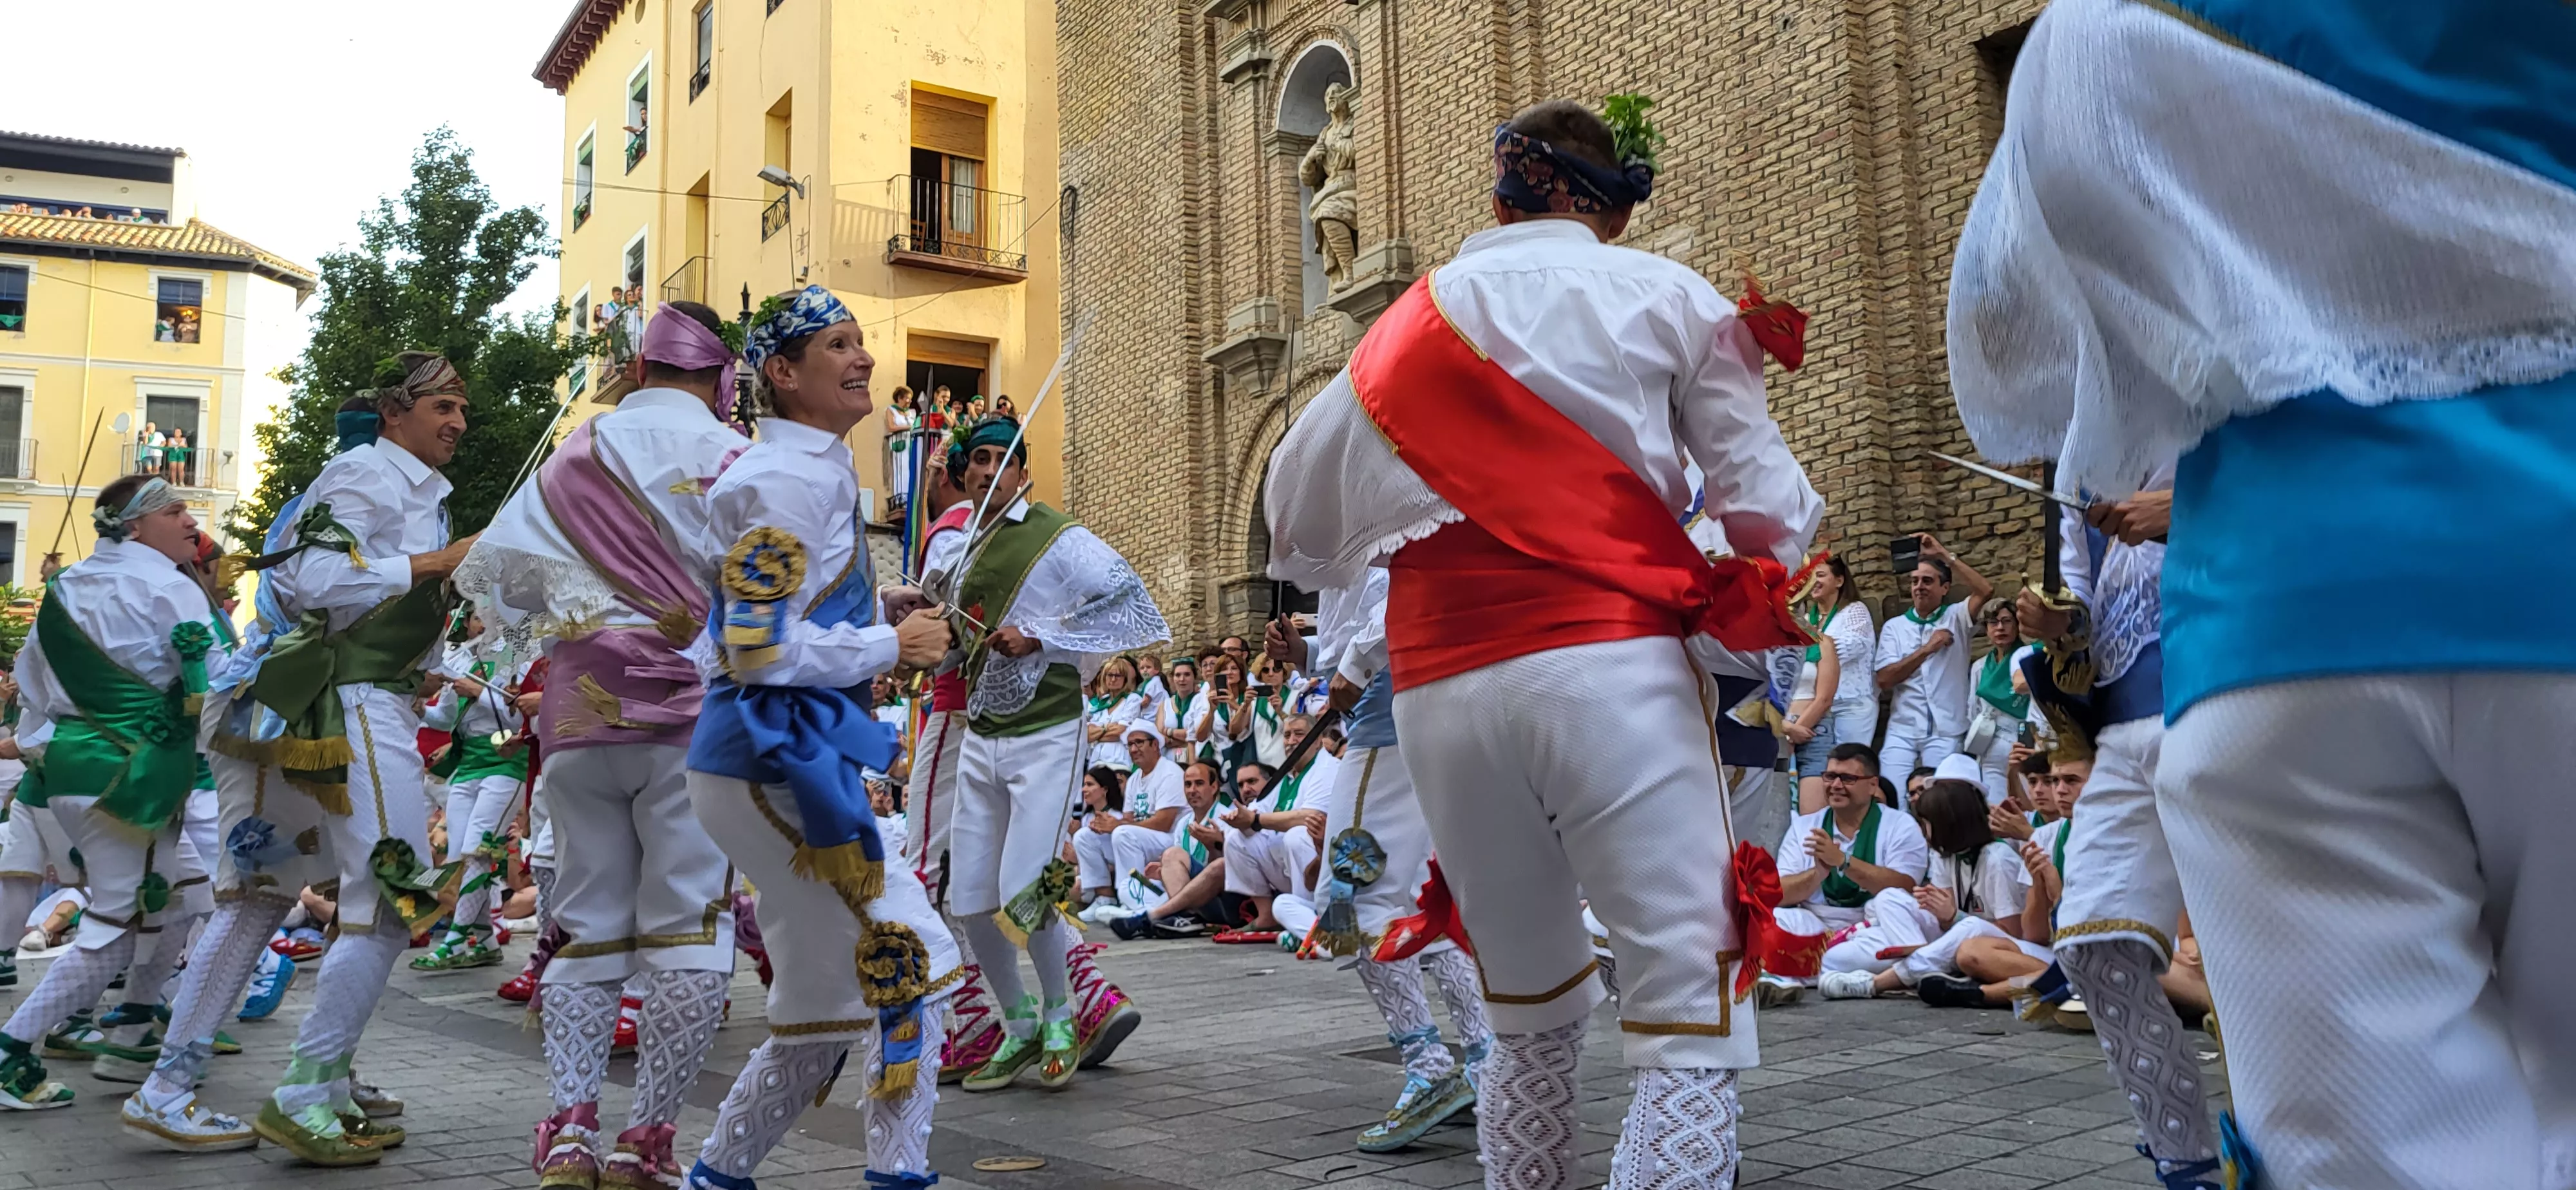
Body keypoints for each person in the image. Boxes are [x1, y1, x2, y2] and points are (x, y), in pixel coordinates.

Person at [1265, 96, 1822, 1189]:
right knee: (1688, 1009)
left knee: (1527, 1012)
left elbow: (1295, 515)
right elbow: (1774, 515)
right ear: (1612, 209)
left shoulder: (1405, 326)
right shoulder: (1664, 292)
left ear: (1499, 202)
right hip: (1608, 665)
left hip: (1440, 692)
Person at [136, 354, 474, 1161]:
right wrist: (438, 564)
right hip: (333, 703)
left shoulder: (407, 486)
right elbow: (317, 580)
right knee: (390, 892)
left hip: (312, 702)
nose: (459, 422)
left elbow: (339, 601)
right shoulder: (365, 473)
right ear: (394, 412)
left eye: (462, 408)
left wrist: (419, 657)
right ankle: (303, 1089)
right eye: (443, 406)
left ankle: (191, 1088)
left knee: (263, 898)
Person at [452, 301, 753, 1187]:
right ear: (719, 375)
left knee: (585, 922)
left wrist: (592, 609)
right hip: (694, 718)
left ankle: (572, 1130)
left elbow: (505, 590)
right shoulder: (736, 458)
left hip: (581, 714)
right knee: (689, 924)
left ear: (643, 367)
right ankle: (644, 1141)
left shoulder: (572, 456)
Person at [678, 287, 959, 1190]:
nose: (864, 358)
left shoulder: (807, 471)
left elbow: (768, 621)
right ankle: (897, 1179)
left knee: (826, 1006)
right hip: (770, 755)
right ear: (783, 372)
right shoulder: (783, 479)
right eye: (838, 344)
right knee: (915, 960)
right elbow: (756, 649)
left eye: (860, 341)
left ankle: (716, 1177)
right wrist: (892, 645)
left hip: (781, 756)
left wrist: (877, 609)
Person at [924, 413, 1166, 1094]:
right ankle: (1019, 1023)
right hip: (981, 734)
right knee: (970, 898)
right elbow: (958, 644)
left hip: (1049, 731)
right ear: (965, 474)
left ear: (1023, 472)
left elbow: (1132, 606)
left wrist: (1038, 637)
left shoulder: (1059, 536)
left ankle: (1062, 1016)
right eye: (978, 460)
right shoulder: (961, 548)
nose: (988, 470)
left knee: (1024, 890)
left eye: (1002, 459)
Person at [0, 475, 231, 1113]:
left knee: (185, 896)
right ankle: (11, 1049)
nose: (192, 521)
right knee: (119, 924)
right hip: (135, 776)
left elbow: (33, 685)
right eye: (175, 510)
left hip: (72, 767)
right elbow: (218, 685)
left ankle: (131, 1026)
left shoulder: (64, 588)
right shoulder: (170, 587)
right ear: (134, 525)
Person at [1269, 569, 1495, 1151]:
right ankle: (1485, 1061)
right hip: (1421, 714)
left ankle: (1429, 1066)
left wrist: (1357, 663)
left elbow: (1403, 585)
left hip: (1387, 721)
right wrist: (1308, 653)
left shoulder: (1370, 533)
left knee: (1347, 905)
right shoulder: (1345, 558)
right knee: (1419, 906)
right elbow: (1358, 621)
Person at [1817, 769, 2041, 999]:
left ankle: (1877, 984)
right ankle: (1925, 967)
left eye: (1927, 823)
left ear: (1949, 824)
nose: (1922, 830)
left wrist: (1955, 917)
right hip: (1956, 938)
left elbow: (2014, 933)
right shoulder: (1945, 854)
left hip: (2010, 948)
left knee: (1971, 926)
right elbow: (1945, 920)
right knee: (1888, 897)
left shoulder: (1998, 859)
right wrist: (1943, 915)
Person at [1762, 743, 1929, 1004]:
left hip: (1875, 928)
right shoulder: (1805, 827)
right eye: (1830, 776)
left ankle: (1792, 973)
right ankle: (1809, 974)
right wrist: (1817, 874)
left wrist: (1843, 861)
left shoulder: (1900, 826)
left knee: (1837, 956)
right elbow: (1778, 894)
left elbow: (1904, 886)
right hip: (1816, 923)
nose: (1836, 785)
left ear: (1873, 785)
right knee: (1773, 918)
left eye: (1848, 778)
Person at [410, 609, 529, 972]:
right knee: (459, 856)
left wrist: (479, 693)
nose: (480, 621)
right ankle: (487, 941)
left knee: (479, 849)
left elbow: (521, 718)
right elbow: (447, 718)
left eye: (487, 613)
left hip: (506, 763)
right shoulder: (462, 660)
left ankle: (456, 941)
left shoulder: (522, 659)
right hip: (467, 767)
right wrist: (420, 710)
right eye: (476, 615)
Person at [1873, 536, 1991, 800]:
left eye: (1927, 581)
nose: (1919, 587)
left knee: (1940, 800)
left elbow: (1986, 591)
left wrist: (1944, 555)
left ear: (1945, 587)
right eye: (1914, 581)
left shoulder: (1957, 616)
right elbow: (1885, 679)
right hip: (1902, 729)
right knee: (1891, 796)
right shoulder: (1895, 627)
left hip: (1946, 730)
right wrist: (1928, 649)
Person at [1071, 724, 1183, 921]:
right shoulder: (1135, 779)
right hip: (1140, 837)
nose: (1133, 749)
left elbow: (1164, 822)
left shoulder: (1170, 772)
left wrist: (1119, 826)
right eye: (1130, 745)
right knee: (1084, 836)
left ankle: (1132, 901)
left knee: (1123, 833)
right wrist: (1108, 824)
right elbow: (1129, 820)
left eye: (1139, 743)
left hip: (1170, 841)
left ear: (1155, 745)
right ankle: (1104, 897)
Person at [1791, 555, 1873, 813]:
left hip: (1851, 705)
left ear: (1839, 581)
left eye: (1820, 575)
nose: (1813, 582)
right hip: (1818, 711)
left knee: (1849, 771)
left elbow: (1846, 649)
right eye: (1810, 577)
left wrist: (1812, 642)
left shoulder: (1855, 611)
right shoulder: (1809, 617)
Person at [1963, 602, 2027, 804]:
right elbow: (1974, 710)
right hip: (1990, 746)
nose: (2000, 628)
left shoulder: (2028, 660)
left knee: (2028, 805)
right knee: (1997, 808)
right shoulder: (1980, 667)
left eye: (2006, 621)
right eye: (1993, 623)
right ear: (1987, 629)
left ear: (2017, 625)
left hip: (2022, 745)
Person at [1081, 656, 1146, 772]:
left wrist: (1098, 733)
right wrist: (1107, 727)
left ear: (1125, 679)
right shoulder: (1102, 702)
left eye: (1118, 676)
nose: (1113, 679)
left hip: (1119, 762)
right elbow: (1088, 734)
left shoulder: (1132, 699)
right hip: (1095, 761)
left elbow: (1121, 731)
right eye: (1110, 675)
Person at [1153, 657, 1211, 766]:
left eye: (1187, 675)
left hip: (1195, 757)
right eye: (1178, 675)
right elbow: (1159, 735)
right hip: (1169, 760)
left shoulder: (1202, 701)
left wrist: (1169, 732)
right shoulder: (1165, 704)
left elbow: (1199, 733)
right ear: (1173, 678)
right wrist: (1185, 737)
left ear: (1195, 677)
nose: (1182, 679)